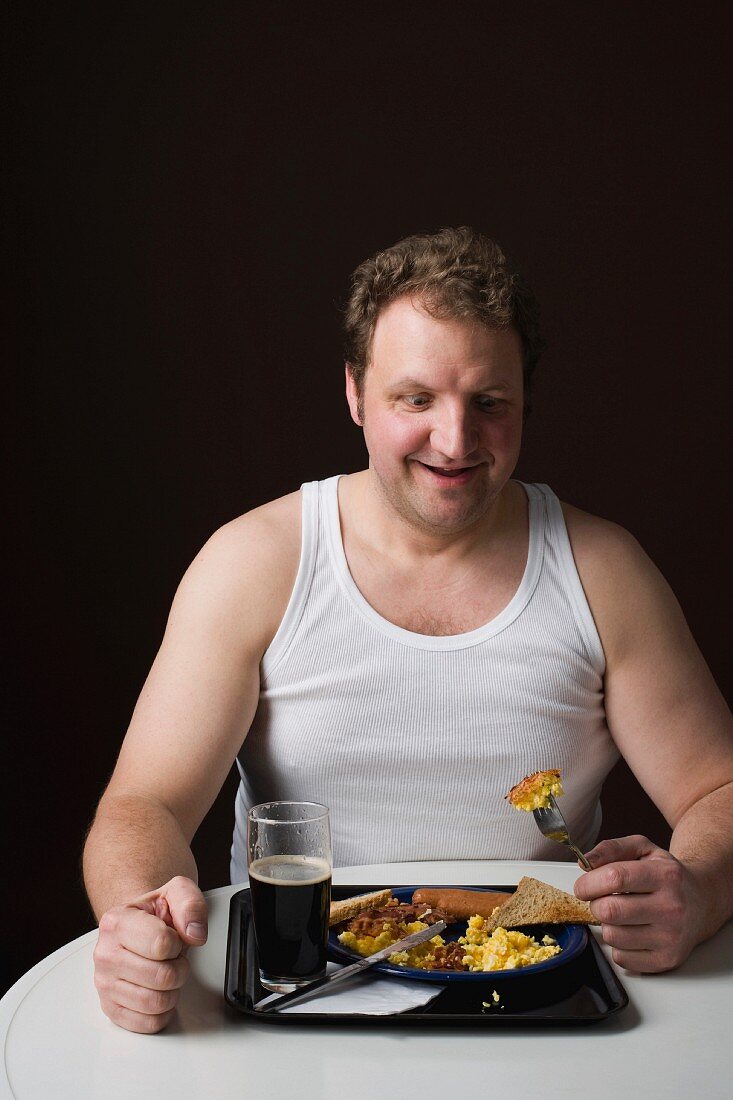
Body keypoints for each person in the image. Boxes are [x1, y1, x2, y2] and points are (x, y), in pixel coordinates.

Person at [83, 227, 733, 1034]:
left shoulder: (603, 569)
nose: (455, 442)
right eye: (415, 399)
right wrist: (137, 920)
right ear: (355, 393)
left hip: (537, 993)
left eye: (488, 402)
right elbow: (143, 804)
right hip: (302, 992)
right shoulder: (253, 562)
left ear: (524, 399)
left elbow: (717, 790)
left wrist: (699, 888)